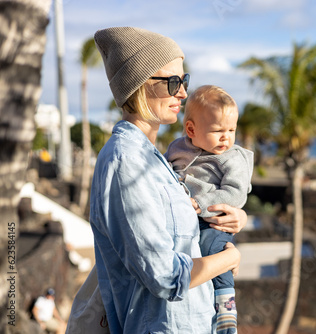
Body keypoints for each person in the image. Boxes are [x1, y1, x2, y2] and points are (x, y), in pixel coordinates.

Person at [86, 26, 245, 333]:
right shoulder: (125, 162)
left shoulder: (155, 159)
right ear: (139, 84)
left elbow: (184, 236)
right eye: (172, 82)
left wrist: (233, 217)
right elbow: (165, 275)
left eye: (183, 81)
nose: (183, 93)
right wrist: (229, 259)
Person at [165, 85, 254, 334]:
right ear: (191, 130)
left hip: (213, 220)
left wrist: (202, 203)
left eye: (232, 130)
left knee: (217, 252)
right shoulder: (176, 149)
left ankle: (227, 309)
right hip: (187, 220)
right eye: (218, 131)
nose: (226, 137)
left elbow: (236, 193)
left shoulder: (232, 157)